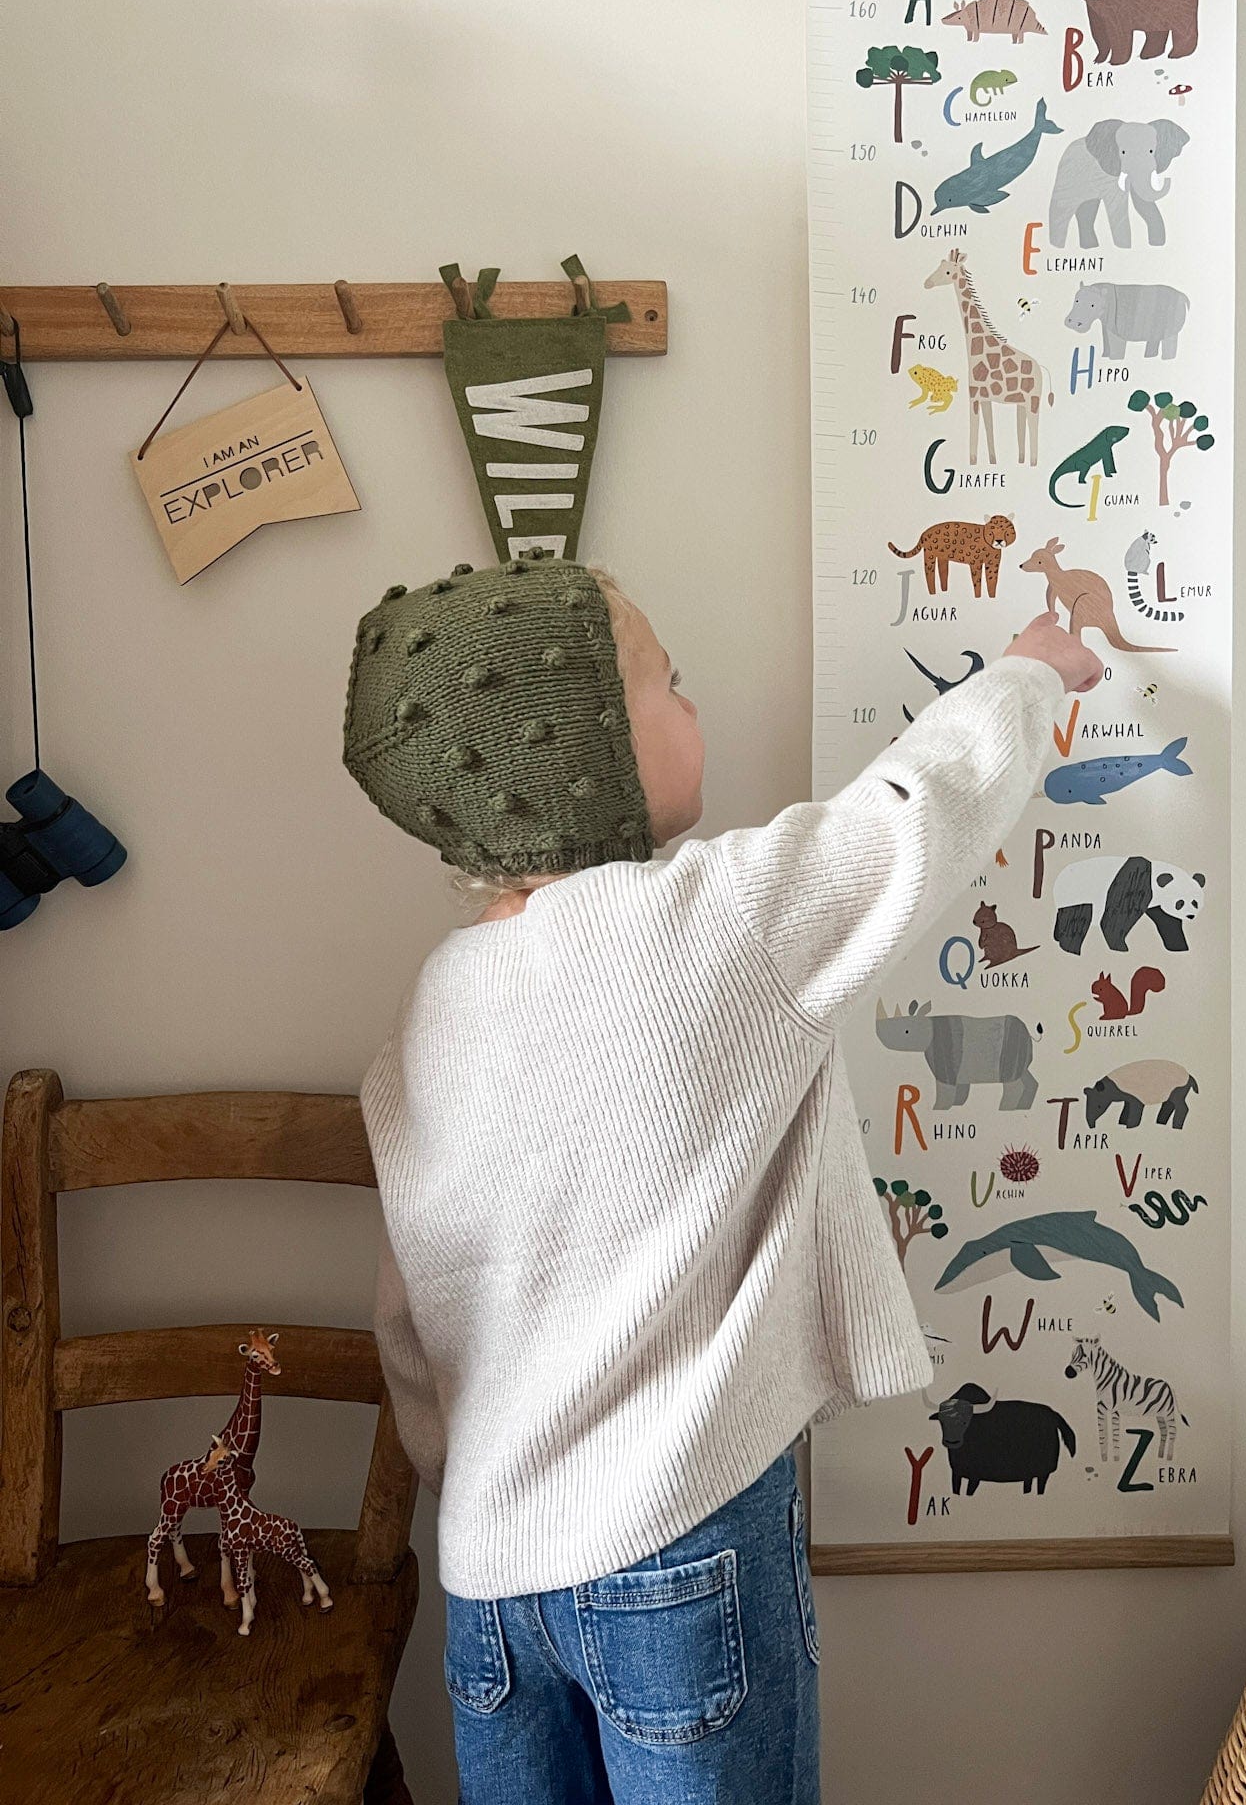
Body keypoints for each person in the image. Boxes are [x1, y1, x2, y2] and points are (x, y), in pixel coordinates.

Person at [341, 553, 1102, 1805]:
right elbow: (912, 817)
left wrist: (489, 1484)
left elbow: (408, 1321)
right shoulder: (713, 923)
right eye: (669, 682)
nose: (697, 708)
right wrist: (1029, 670)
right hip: (678, 1545)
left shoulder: (430, 1014)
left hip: (490, 1579)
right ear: (582, 745)